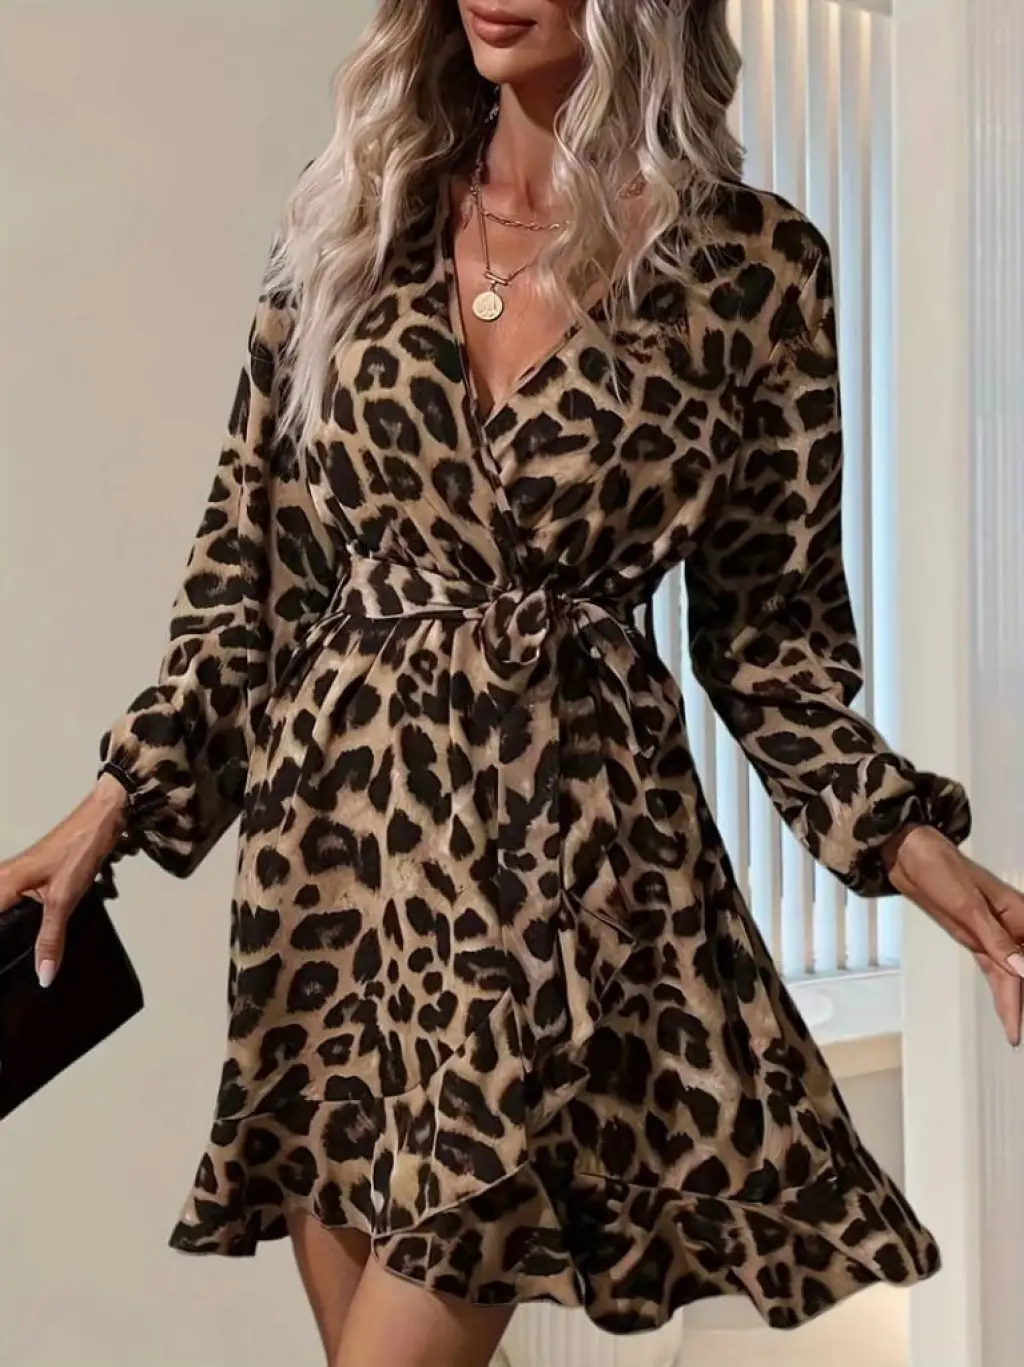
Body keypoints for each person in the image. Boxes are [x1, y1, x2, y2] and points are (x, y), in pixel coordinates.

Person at [3, 2, 1023, 1364]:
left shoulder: (753, 270)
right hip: (336, 885)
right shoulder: (351, 222)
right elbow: (252, 578)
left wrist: (904, 840)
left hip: (566, 879)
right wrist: (114, 802)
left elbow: (769, 635)